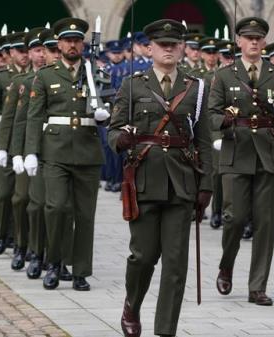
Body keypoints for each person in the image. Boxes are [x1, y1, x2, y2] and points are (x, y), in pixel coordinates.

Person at [108, 18, 212, 337]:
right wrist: (120, 141)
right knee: (143, 256)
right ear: (149, 48)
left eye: (174, 44)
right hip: (144, 180)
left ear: (182, 49)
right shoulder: (132, 85)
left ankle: (165, 329)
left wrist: (206, 185)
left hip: (182, 184)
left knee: (176, 264)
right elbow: (113, 130)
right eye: (162, 45)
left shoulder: (194, 88)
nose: (168, 49)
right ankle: (132, 305)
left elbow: (204, 140)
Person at [211, 17, 274, 306]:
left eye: (259, 38)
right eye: (248, 38)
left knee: (265, 223)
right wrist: (223, 121)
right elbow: (210, 114)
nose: (254, 42)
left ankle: (257, 286)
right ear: (239, 42)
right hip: (236, 152)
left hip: (269, 156)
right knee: (233, 219)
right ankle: (226, 263)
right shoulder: (224, 75)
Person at [24, 17, 105, 291]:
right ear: (58, 45)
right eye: (68, 41)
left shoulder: (95, 72)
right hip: (55, 151)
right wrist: (31, 152)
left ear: (82, 44)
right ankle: (53, 262)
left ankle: (81, 271)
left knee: (85, 214)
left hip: (87, 150)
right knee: (56, 208)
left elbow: (108, 103)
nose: (73, 45)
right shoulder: (45, 75)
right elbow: (34, 117)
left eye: (77, 40)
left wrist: (105, 111)